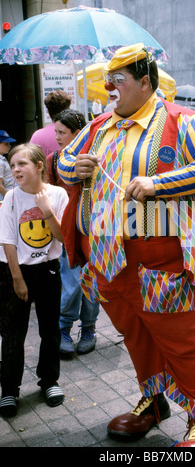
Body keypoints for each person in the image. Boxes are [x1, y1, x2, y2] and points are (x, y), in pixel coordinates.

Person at [58, 43, 195, 447]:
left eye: (117, 81)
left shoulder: (183, 121)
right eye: (107, 82)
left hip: (163, 261)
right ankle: (153, 401)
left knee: (183, 341)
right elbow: (64, 160)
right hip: (109, 262)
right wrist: (74, 166)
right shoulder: (98, 126)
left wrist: (159, 183)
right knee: (136, 336)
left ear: (145, 82)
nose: (109, 89)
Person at [0, 143, 68, 417]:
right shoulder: (11, 199)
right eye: (13, 165)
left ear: (40, 166)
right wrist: (17, 279)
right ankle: (9, 390)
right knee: (13, 333)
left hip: (48, 269)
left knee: (50, 329)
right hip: (14, 271)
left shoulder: (58, 194)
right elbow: (7, 240)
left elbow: (64, 238)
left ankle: (49, 381)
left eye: (22, 164)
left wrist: (47, 210)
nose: (15, 169)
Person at [46, 109, 100, 356]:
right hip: (67, 232)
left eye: (62, 132)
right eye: (55, 131)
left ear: (78, 134)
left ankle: (89, 328)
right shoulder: (53, 160)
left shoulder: (96, 159)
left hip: (94, 231)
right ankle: (64, 328)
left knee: (92, 283)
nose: (57, 136)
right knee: (72, 284)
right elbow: (46, 196)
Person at [30, 90, 71, 157]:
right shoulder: (75, 133)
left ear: (48, 112)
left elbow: (31, 159)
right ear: (69, 109)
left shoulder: (37, 136)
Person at [0, 130, 16, 201]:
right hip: (6, 198)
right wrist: (10, 199)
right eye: (6, 144)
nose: (9, 146)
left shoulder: (3, 159)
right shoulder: (0, 162)